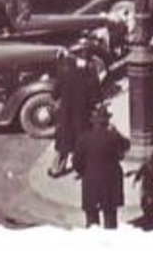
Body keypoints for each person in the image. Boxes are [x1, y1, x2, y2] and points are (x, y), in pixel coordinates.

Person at [74, 106, 128, 229]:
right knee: (110, 217)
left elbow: (76, 163)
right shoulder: (113, 137)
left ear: (93, 122)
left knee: (92, 218)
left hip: (91, 182)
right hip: (110, 183)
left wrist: (85, 172)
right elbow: (126, 145)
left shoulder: (84, 138)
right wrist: (117, 132)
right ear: (107, 122)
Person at [49, 50, 99, 178]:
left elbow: (55, 94)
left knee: (63, 142)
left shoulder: (64, 73)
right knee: (82, 141)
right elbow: (96, 97)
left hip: (66, 114)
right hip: (83, 115)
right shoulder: (90, 75)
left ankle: (57, 168)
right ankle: (82, 168)